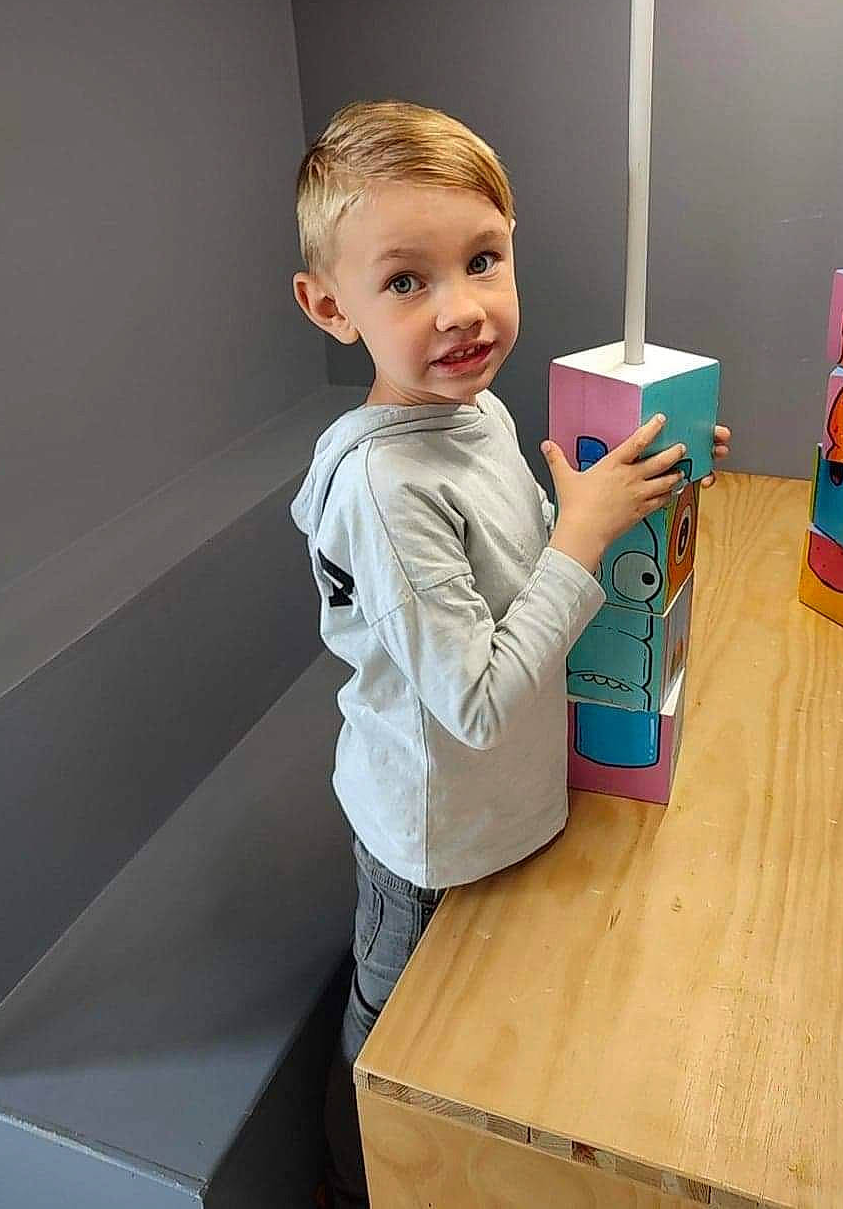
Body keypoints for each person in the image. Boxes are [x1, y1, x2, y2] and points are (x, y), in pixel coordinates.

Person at [288, 99, 731, 1207]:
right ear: (331, 307)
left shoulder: (474, 415)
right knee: (396, 1039)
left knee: (489, 1035)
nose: (462, 309)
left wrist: (634, 484)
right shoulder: (388, 487)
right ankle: (357, 1176)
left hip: (511, 808)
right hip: (432, 840)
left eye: (483, 260)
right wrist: (582, 534)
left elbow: (524, 570)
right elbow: (477, 699)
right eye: (406, 280)